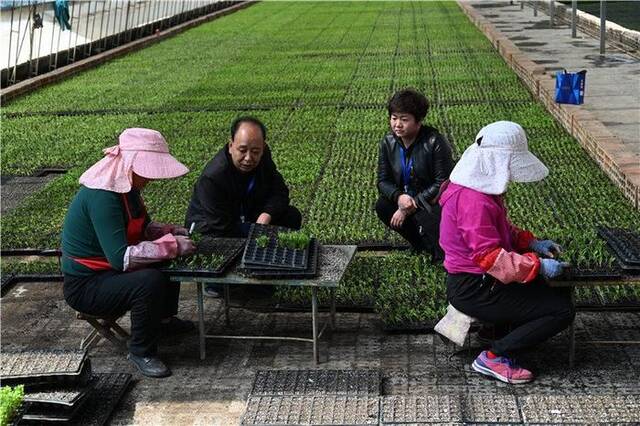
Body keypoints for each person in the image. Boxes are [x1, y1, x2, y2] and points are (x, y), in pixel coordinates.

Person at [439, 121, 574, 384]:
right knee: (560, 310)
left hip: (479, 281)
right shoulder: (473, 200)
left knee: (551, 293)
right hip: (475, 287)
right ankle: (494, 356)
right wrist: (538, 265)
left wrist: (530, 242)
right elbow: (491, 258)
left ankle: (498, 331)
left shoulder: (478, 190)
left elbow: (499, 230)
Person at [61, 128, 196, 378]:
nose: (151, 179)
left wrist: (166, 231)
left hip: (108, 273)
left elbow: (141, 228)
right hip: (86, 285)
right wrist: (171, 246)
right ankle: (141, 350)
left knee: (165, 262)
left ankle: (163, 322)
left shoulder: (128, 189)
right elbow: (121, 258)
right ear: (131, 165)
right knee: (149, 280)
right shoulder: (103, 196)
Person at [185, 116, 301, 297]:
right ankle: (218, 280)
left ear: (263, 147)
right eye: (242, 150)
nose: (249, 158)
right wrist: (258, 233)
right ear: (231, 145)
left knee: (291, 216)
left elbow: (280, 191)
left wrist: (266, 215)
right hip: (212, 226)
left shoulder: (263, 158)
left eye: (255, 151)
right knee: (224, 242)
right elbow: (222, 226)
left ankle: (264, 271)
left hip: (245, 213)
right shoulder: (213, 177)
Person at [376, 88, 453, 261]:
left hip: (432, 201)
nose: (397, 124)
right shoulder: (388, 142)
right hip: (406, 197)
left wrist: (412, 204)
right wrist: (398, 197)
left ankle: (438, 251)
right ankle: (420, 245)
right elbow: (382, 181)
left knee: (441, 252)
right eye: (394, 118)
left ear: (418, 121)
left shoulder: (434, 141)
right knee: (382, 205)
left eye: (404, 120)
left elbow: (443, 182)